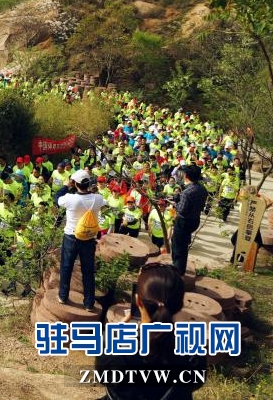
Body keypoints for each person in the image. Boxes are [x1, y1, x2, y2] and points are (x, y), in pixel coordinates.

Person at [95, 262, 207, 399]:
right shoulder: (193, 351)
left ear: (138, 301)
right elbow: (195, 384)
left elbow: (102, 377)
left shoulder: (114, 349)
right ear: (180, 303)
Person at [56, 170, 105, 312]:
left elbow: (57, 198)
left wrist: (66, 186)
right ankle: (89, 303)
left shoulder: (70, 198)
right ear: (89, 183)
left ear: (74, 183)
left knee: (66, 267)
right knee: (88, 271)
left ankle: (63, 296)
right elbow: (103, 202)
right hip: (89, 238)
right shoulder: (98, 199)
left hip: (71, 236)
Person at [172, 165, 208, 275]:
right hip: (195, 220)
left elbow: (181, 210)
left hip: (183, 222)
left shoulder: (187, 192)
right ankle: (179, 267)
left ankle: (178, 271)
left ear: (186, 176)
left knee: (178, 247)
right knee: (183, 244)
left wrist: (174, 204)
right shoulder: (202, 189)